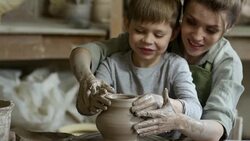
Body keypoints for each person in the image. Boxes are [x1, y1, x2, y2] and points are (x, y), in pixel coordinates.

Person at [70, 0, 244, 140]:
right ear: (182, 17)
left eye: (211, 30)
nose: (197, 36)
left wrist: (179, 119)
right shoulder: (155, 38)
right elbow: (86, 52)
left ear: (228, 28)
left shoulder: (227, 63)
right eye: (191, 22)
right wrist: (87, 80)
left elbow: (216, 130)